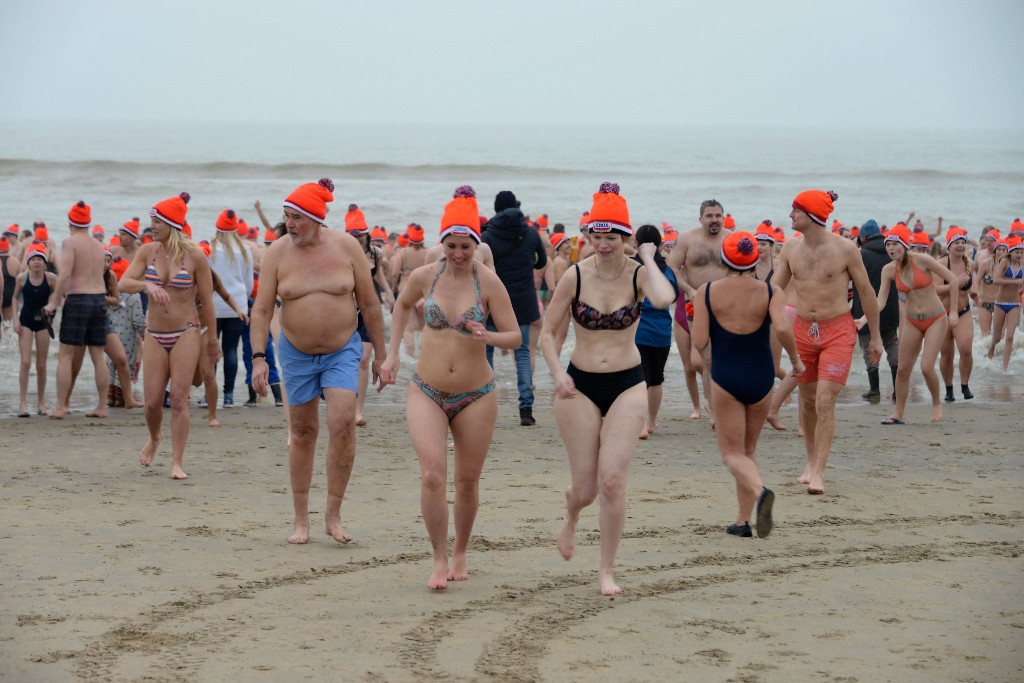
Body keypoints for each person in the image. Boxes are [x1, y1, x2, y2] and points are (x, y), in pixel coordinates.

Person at [380, 186, 521, 590]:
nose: (459, 253)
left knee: (468, 481)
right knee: (431, 475)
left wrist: (487, 336)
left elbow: (514, 336)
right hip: (427, 387)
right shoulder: (425, 276)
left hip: (477, 393)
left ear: (477, 244)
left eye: (466, 246)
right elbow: (401, 305)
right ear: (442, 243)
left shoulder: (489, 282)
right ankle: (439, 557)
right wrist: (391, 356)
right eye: (452, 245)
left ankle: (461, 550)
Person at [540, 182, 675, 595]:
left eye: (611, 237)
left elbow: (664, 299)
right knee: (584, 488)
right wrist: (555, 373)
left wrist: (649, 259)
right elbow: (547, 334)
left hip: (628, 384)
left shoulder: (639, 275)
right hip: (578, 385)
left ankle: (606, 571)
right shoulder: (574, 276)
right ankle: (571, 516)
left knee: (612, 480)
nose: (602, 245)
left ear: (625, 238)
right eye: (596, 237)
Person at [249, 178, 386, 544]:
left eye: (296, 217)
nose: (289, 224)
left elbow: (370, 304)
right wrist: (258, 358)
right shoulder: (277, 253)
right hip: (295, 353)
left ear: (315, 219)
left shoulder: (346, 248)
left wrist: (383, 356)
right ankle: (300, 520)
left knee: (343, 424)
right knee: (303, 433)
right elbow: (262, 310)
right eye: (286, 216)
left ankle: (333, 515)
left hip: (342, 349)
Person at [691, 231, 803, 539]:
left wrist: (710, 350)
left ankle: (760, 489)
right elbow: (781, 327)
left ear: (723, 259)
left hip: (726, 376)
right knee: (748, 451)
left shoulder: (707, 291)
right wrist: (794, 360)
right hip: (761, 376)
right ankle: (742, 522)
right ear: (755, 258)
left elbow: (700, 340)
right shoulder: (771, 291)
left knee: (731, 453)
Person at [772, 190, 883, 495]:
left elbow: (867, 293)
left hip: (837, 330)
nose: (790, 215)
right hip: (803, 331)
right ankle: (809, 463)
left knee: (824, 399)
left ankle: (820, 471)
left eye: (796, 210)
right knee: (807, 401)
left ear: (811, 215)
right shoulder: (790, 249)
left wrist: (875, 337)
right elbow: (773, 290)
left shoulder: (846, 249)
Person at [119, 192, 220, 479]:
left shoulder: (195, 256)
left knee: (178, 399)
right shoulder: (147, 252)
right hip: (154, 333)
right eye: (151, 220)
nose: (151, 226)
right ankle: (154, 438)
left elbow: (208, 301)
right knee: (151, 403)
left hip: (186, 331)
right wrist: (146, 287)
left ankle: (177, 462)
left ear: (172, 224)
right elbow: (124, 282)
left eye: (156, 221)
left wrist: (211, 339)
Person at [874, 225, 959, 424]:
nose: (891, 248)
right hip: (912, 321)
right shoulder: (888, 270)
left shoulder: (923, 260)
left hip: (936, 318)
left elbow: (953, 280)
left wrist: (953, 311)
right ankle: (898, 414)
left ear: (904, 245)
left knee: (927, 367)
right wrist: (863, 318)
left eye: (895, 244)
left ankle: (937, 404)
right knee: (903, 369)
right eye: (888, 245)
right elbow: (880, 302)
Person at [481, 190, 548, 426]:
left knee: (486, 352)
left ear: (497, 209)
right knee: (523, 354)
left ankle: (485, 403)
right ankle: (526, 409)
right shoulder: (530, 233)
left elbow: (480, 266)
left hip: (493, 301)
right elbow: (542, 261)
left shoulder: (487, 235)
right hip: (523, 300)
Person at [44, 201, 112, 419]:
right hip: (99, 299)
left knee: (65, 355)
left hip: (78, 299)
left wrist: (54, 303)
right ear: (88, 223)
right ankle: (102, 407)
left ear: (70, 223)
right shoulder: (97, 245)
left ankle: (60, 407)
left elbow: (64, 275)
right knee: (98, 356)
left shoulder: (70, 242)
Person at [667, 199, 731, 426]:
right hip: (697, 305)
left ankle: (725, 403)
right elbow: (672, 266)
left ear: (723, 217)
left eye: (718, 216)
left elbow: (744, 270)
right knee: (708, 359)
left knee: (727, 359)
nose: (714, 220)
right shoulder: (687, 239)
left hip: (726, 306)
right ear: (701, 218)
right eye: (709, 216)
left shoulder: (731, 238)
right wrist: (688, 290)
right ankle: (711, 406)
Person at [344, 203, 395, 426]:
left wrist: (389, 293)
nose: (357, 240)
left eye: (360, 235)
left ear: (366, 235)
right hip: (344, 311)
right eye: (353, 236)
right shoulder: (340, 251)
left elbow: (378, 277)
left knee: (364, 359)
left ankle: (358, 411)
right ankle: (343, 403)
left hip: (367, 310)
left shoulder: (376, 253)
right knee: (346, 359)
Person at [631, 225, 678, 439]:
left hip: (638, 331)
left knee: (639, 379)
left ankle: (640, 424)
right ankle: (651, 421)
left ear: (636, 243)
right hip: (661, 332)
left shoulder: (632, 268)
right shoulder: (667, 270)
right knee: (657, 378)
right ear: (659, 245)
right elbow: (674, 296)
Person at [850, 220, 901, 402]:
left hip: (865, 309)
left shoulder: (860, 255)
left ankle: (874, 389)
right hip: (891, 307)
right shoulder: (891, 252)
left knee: (869, 346)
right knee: (892, 344)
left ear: (863, 238)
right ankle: (897, 389)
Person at [208, 209, 253, 407]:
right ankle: (229, 395)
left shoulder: (210, 247)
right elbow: (249, 282)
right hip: (238, 305)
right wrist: (243, 298)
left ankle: (209, 394)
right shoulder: (244, 249)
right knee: (231, 350)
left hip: (214, 304)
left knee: (212, 350)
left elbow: (206, 278)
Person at [12, 243, 56, 416]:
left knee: (41, 365)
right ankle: (23, 404)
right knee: (25, 362)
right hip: (26, 321)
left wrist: (52, 305)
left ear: (44, 262)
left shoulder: (51, 278)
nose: (37, 262)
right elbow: (15, 298)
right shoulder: (22, 278)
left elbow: (58, 294)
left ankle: (41, 404)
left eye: (40, 259)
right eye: (33, 259)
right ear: (28, 262)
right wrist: (15, 319)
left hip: (43, 322)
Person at [937, 228, 975, 401]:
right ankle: (949, 389)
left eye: (962, 242)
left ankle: (965, 386)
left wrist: (975, 293)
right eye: (956, 242)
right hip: (942, 314)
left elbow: (973, 287)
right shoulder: (941, 264)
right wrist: (955, 283)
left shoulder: (970, 263)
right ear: (949, 246)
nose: (960, 246)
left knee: (966, 349)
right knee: (947, 354)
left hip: (963, 312)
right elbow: (935, 290)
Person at [987, 237, 1023, 370]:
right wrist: (1015, 282)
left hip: (1014, 304)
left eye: (1021, 252)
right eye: (1017, 252)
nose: (1019, 255)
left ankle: (1004, 369)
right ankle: (992, 347)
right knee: (997, 337)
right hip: (1000, 303)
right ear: (1011, 252)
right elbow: (995, 280)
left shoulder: (1023, 263)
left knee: (1010, 337)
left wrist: (1020, 290)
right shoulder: (1004, 261)